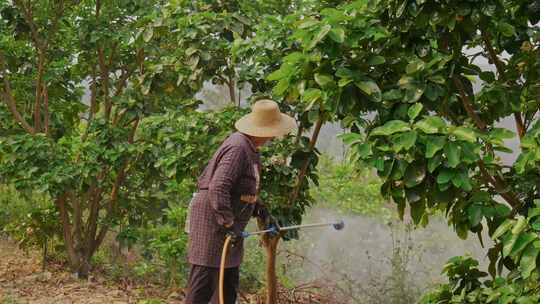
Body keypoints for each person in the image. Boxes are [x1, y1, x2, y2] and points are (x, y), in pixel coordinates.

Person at [184, 99, 297, 304]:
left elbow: (241, 189)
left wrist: (259, 209)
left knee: (226, 290)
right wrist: (228, 223)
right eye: (273, 130)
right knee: (204, 287)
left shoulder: (250, 148)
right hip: (213, 226)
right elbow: (218, 187)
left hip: (227, 228)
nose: (273, 136)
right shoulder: (238, 147)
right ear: (263, 129)